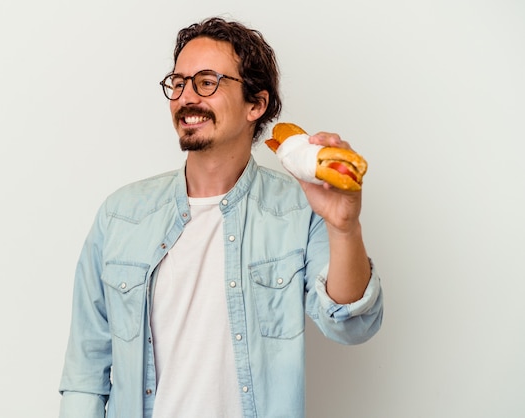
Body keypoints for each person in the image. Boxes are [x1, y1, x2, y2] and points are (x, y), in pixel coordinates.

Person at [59, 16, 383, 418]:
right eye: (178, 83)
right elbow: (86, 374)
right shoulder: (121, 215)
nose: (186, 97)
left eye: (207, 81)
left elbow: (351, 326)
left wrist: (344, 227)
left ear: (256, 104)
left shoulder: (299, 209)